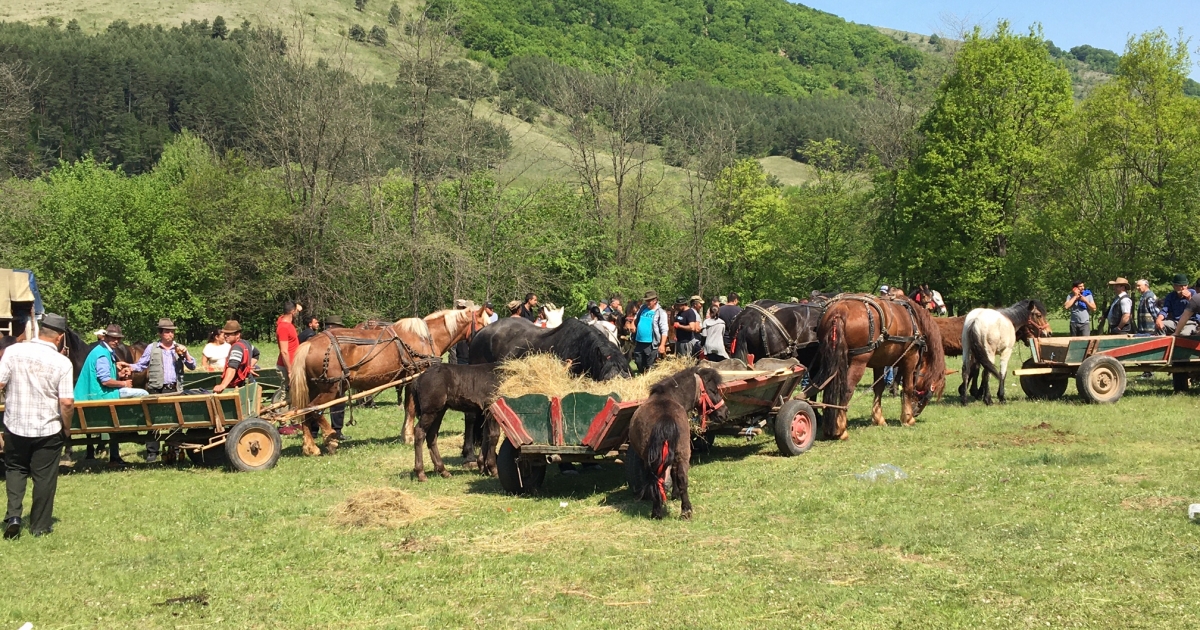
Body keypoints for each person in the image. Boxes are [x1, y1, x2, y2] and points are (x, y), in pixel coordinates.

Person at [1, 313, 74, 539]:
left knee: (15, 469)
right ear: (59, 337)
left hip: (15, 424)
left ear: (41, 330)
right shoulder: (62, 362)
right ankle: (40, 526)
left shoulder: (13, 351)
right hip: (47, 428)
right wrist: (67, 428)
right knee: (44, 477)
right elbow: (66, 402)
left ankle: (14, 515)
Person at [122, 318, 195, 463]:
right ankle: (152, 452)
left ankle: (175, 449)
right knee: (152, 421)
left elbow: (192, 366)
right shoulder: (152, 347)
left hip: (173, 389)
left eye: (172, 332)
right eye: (167, 332)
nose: (170, 334)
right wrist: (129, 367)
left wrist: (186, 354)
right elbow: (141, 365)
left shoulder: (179, 348)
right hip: (156, 388)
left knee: (176, 421)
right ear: (160, 333)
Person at [75, 324, 148, 466]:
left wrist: (118, 373)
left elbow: (103, 376)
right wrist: (123, 383)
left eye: (118, 339)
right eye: (113, 338)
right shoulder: (102, 355)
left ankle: (115, 456)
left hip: (96, 393)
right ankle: (133, 426)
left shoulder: (103, 351)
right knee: (143, 393)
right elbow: (106, 381)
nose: (116, 341)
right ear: (105, 337)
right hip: (101, 395)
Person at [212, 321, 257, 394]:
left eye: (229, 334)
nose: (226, 336)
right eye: (225, 333)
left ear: (238, 334)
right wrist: (249, 367)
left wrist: (223, 385)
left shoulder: (236, 348)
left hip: (240, 388)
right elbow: (256, 354)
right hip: (250, 384)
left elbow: (232, 368)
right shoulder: (246, 343)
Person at [632, 291, 668, 374]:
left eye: (649, 301)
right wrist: (633, 324)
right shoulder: (643, 308)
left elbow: (664, 330)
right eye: (646, 301)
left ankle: (648, 379)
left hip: (651, 343)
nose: (647, 302)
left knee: (650, 365)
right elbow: (636, 317)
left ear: (655, 301)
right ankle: (642, 375)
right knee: (638, 361)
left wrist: (662, 345)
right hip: (639, 341)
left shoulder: (661, 312)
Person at [276, 301, 301, 381]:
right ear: (292, 312)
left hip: (293, 365)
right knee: (287, 389)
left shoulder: (286, 322)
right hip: (286, 367)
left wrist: (296, 306)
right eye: (296, 311)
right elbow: (284, 352)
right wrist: (289, 371)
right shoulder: (283, 328)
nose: (297, 313)